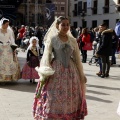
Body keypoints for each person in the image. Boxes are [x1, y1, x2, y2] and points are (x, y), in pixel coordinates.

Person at [33, 16, 87, 120]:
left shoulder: (73, 40)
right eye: (63, 24)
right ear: (58, 26)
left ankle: (69, 115)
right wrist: (45, 72)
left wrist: (81, 74)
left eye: (67, 24)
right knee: (54, 95)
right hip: (56, 70)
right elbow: (47, 57)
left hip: (71, 71)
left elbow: (77, 59)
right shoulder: (53, 39)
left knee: (71, 94)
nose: (66, 27)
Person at [0, 18, 20, 82]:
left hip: (8, 48)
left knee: (9, 63)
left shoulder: (9, 31)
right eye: (6, 24)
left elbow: (12, 40)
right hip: (0, 48)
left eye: (8, 24)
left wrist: (14, 47)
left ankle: (7, 78)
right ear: (2, 24)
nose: (7, 26)